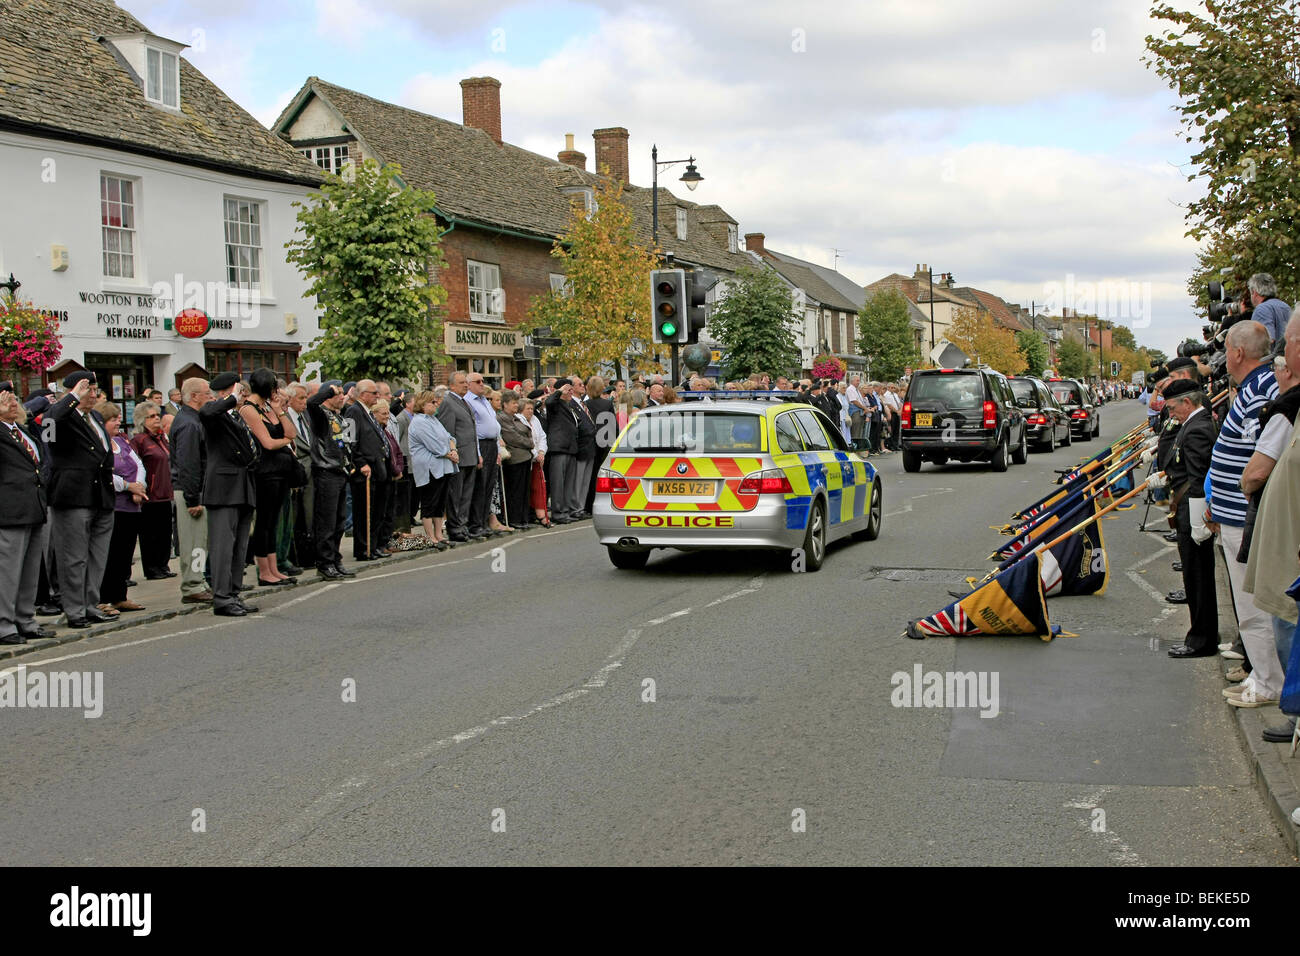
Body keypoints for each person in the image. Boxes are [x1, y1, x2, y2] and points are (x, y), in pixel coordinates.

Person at [1202, 322, 1280, 705]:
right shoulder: (1256, 385)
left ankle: (1269, 683)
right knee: (1250, 607)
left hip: (1243, 514)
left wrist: (1236, 491)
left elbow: (1257, 453)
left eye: (1226, 351)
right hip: (1233, 512)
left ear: (1237, 353)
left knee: (1254, 607)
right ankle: (1263, 678)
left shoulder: (1260, 388)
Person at [45, 372, 116, 628]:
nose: (93, 395)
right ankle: (74, 609)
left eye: (95, 390)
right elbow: (48, 429)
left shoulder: (95, 416)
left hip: (101, 494)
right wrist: (73, 397)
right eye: (88, 390)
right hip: (73, 495)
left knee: (97, 557)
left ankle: (89, 603)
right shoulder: (59, 414)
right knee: (74, 558)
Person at [1154, 377, 1219, 657]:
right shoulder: (1191, 424)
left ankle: (1201, 639)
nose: (1170, 414)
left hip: (1191, 507)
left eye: (1172, 408)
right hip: (1184, 503)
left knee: (1198, 577)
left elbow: (1198, 477)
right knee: (1195, 576)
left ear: (1188, 402)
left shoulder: (1197, 428)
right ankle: (1203, 632)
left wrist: (1196, 520)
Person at [201, 372, 260, 616]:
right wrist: (229, 400)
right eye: (239, 392)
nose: (243, 396)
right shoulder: (214, 413)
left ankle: (233, 593)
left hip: (242, 485)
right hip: (223, 488)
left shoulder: (235, 416)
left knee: (239, 547)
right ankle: (222, 597)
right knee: (223, 547)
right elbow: (206, 413)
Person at [0, 389, 50, 645]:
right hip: (9, 510)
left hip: (34, 507)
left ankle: (25, 619)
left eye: (13, 400)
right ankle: (4, 624)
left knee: (30, 571)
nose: (12, 404)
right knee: (7, 571)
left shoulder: (21, 430)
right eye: (5, 400)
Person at [240, 369, 298, 586]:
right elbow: (268, 443)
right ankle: (264, 571)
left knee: (274, 522)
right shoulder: (249, 409)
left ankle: (274, 568)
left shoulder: (268, 408)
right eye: (274, 387)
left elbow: (291, 433)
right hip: (264, 473)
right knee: (264, 522)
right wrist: (284, 440)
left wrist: (278, 411)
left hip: (281, 472)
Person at [98, 402, 148, 613]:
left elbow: (139, 466)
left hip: (132, 506)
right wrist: (129, 487)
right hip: (114, 505)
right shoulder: (100, 443)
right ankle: (104, 597)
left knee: (126, 554)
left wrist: (140, 487)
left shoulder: (122, 442)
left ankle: (120, 596)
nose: (118, 421)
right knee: (111, 554)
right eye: (113, 419)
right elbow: (104, 473)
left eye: (118, 417)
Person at [306, 381, 356, 580]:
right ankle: (324, 563)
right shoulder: (321, 416)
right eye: (339, 393)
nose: (342, 396)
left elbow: (344, 442)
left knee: (339, 521)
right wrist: (327, 391)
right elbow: (311, 404)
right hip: (326, 472)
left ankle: (335, 558)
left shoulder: (339, 415)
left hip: (341, 471)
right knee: (326, 521)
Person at [169, 377, 212, 604]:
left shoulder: (192, 419)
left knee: (200, 541)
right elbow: (189, 464)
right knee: (194, 542)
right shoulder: (189, 424)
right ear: (194, 396)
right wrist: (193, 498)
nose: (210, 397)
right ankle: (193, 584)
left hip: (194, 489)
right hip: (190, 491)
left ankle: (199, 580)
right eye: (206, 393)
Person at [128, 401, 174, 581]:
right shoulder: (139, 440)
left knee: (164, 531)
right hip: (150, 495)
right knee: (150, 534)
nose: (156, 419)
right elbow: (135, 466)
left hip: (165, 493)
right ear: (142, 420)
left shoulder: (161, 438)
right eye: (151, 416)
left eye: (157, 415)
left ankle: (163, 565)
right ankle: (152, 568)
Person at [408, 389, 458, 550]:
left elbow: (449, 437)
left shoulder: (433, 420)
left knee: (439, 503)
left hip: (443, 466)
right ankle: (430, 537)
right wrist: (450, 453)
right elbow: (435, 445)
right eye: (433, 402)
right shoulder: (419, 421)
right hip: (429, 468)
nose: (436, 405)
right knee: (429, 502)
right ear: (423, 404)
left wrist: (453, 449)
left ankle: (439, 534)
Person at [436, 372, 481, 543]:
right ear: (452, 386)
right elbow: (448, 431)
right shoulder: (448, 402)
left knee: (466, 495)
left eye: (466, 382)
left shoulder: (464, 402)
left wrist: (477, 454)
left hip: (470, 455)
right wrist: (452, 452)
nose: (465, 385)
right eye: (461, 382)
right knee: (456, 495)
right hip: (458, 456)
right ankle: (455, 528)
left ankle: (463, 525)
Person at [285, 382, 315, 570]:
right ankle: (292, 556)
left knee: (309, 514)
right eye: (301, 398)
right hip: (296, 471)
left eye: (306, 397)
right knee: (295, 516)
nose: (305, 402)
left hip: (311, 472)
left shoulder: (305, 417)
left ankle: (308, 555)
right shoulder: (286, 416)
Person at [498, 390, 534, 530]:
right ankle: (514, 518)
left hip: (525, 457)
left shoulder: (516, 418)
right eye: (513, 403)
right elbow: (512, 437)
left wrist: (528, 441)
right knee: (515, 490)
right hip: (515, 459)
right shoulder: (502, 418)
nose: (516, 405)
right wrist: (529, 443)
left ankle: (523, 518)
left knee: (525, 490)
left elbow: (528, 431)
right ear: (505, 404)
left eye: (516, 402)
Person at [544, 380, 579, 524]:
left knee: (568, 484)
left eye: (571, 389)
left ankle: (565, 510)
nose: (570, 392)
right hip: (559, 448)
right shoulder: (556, 404)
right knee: (558, 483)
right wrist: (559, 391)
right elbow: (550, 402)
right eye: (568, 390)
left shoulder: (569, 406)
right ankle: (558, 512)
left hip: (570, 448)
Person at [372, 400, 403, 549]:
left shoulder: (387, 431)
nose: (386, 417)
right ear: (375, 414)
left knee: (390, 511)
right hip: (385, 475)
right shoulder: (377, 432)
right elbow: (386, 455)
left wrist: (399, 469)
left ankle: (386, 541)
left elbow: (396, 451)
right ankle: (380, 543)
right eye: (384, 414)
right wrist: (395, 470)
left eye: (388, 414)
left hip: (393, 475)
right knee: (381, 512)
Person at [585, 375, 617, 513]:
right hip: (605, 442)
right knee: (604, 473)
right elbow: (613, 425)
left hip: (590, 443)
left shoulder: (584, 405)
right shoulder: (607, 404)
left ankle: (588, 503)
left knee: (591, 475)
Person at [520, 398, 550, 527]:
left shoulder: (535, 420)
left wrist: (542, 452)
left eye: (532, 409)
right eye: (528, 409)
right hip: (527, 457)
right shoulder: (519, 420)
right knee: (526, 488)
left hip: (538, 457)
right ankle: (529, 514)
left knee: (539, 488)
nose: (531, 411)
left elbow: (542, 436)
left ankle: (541, 515)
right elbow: (524, 439)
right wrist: (536, 454)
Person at [1248, 273, 1291, 347]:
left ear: (1254, 292)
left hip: (1270, 357)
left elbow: (1267, 339)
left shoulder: (1261, 309)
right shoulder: (1285, 306)